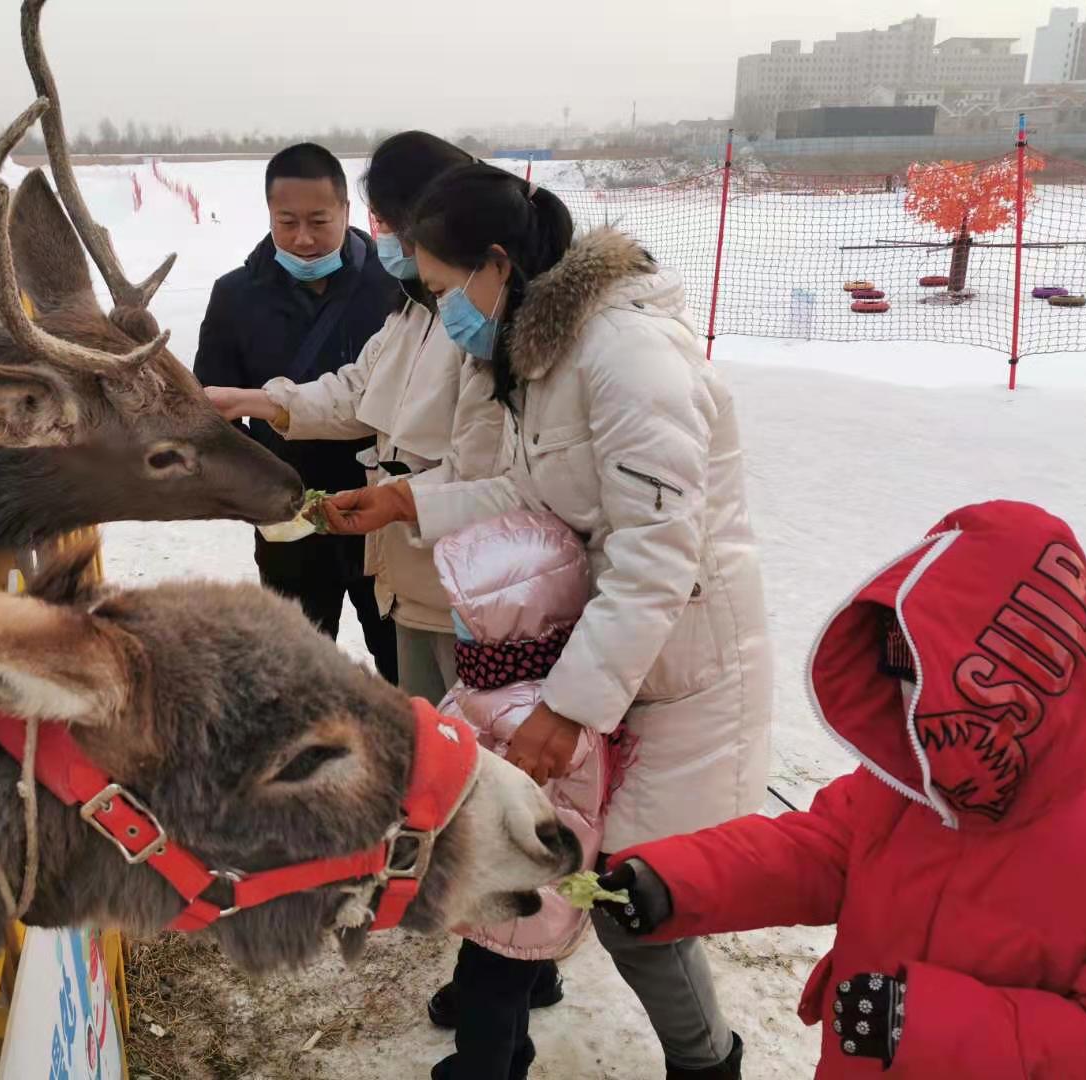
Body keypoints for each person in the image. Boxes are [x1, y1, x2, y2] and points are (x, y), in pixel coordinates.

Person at [323, 163, 772, 1079]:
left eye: (444, 288)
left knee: (637, 900)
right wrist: (409, 502)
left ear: (495, 264)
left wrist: (568, 710)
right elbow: (540, 485)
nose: (442, 310)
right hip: (603, 651)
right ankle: (504, 1015)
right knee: (539, 850)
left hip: (680, 675)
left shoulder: (628, 358)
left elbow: (657, 556)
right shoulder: (547, 351)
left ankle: (706, 1062)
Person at [595, 500, 1086, 1078]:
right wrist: (671, 882)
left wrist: (915, 1023)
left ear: (1023, 678)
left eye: (934, 679)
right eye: (901, 672)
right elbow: (811, 851)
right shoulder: (904, 789)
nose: (911, 703)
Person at [203, 132, 505, 703]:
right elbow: (355, 390)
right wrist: (256, 402)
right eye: (286, 221)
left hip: (459, 577)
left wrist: (395, 501)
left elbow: (494, 471)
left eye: (392, 224)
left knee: (449, 728)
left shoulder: (474, 316)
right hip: (384, 560)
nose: (304, 238)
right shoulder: (413, 307)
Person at [194, 142, 399, 682]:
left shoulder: (394, 289)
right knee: (295, 673)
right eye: (287, 223)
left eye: (318, 221)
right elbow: (211, 408)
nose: (303, 239)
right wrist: (252, 487)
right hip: (288, 519)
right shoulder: (235, 297)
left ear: (347, 214)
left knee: (403, 662)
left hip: (384, 509)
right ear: (268, 216)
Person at [429, 509, 611, 1079]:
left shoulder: (511, 713)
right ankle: (521, 1030)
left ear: (513, 625)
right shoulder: (547, 692)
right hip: (538, 881)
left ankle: (485, 1068)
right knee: (511, 967)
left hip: (508, 883)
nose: (457, 624)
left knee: (488, 983)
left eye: (467, 616)